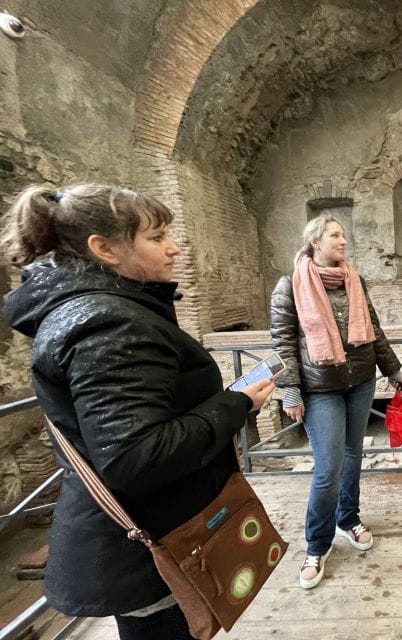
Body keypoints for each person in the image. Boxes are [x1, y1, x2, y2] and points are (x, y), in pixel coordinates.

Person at [0, 184, 275, 639]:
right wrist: (238, 402)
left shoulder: (96, 310)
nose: (174, 248)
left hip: (149, 529)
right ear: (105, 249)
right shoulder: (108, 322)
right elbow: (137, 456)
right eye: (156, 237)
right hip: (150, 544)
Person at [270, 215, 402, 589]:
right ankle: (317, 544)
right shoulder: (289, 285)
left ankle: (348, 519)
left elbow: (373, 330)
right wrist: (291, 390)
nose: (343, 241)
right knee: (328, 467)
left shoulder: (354, 279)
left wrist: (393, 371)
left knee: (352, 455)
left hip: (360, 380)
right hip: (320, 387)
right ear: (316, 242)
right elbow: (282, 343)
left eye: (343, 234)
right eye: (335, 235)